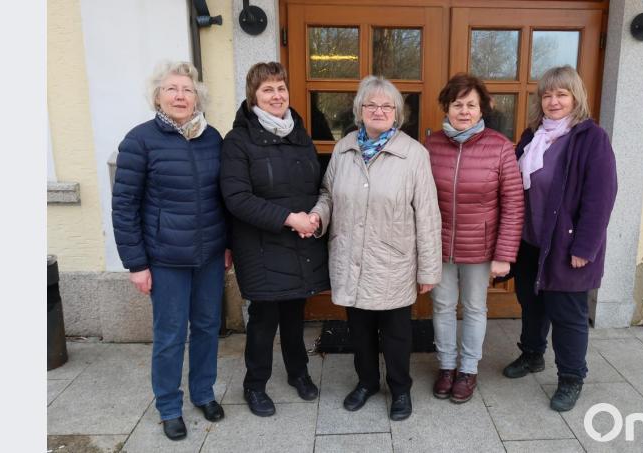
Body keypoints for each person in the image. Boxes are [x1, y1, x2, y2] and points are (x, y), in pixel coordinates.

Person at [309, 76, 442, 421]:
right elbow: (328, 194)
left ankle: (400, 389)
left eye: (386, 106)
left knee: (397, 335)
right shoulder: (344, 148)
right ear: (360, 111)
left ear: (397, 112)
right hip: (350, 257)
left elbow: (427, 214)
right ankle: (366, 382)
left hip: (392, 262)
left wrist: (429, 269)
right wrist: (316, 217)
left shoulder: (414, 154)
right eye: (371, 105)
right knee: (360, 330)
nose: (379, 110)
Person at [112, 61, 231, 441]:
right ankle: (168, 406)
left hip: (210, 255)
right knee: (169, 335)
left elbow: (224, 197)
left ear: (198, 97)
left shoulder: (212, 137)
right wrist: (136, 264)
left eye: (187, 89)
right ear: (158, 97)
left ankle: (203, 393)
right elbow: (124, 206)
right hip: (165, 259)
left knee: (209, 327)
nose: (180, 96)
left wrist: (227, 244)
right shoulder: (139, 140)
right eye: (171, 89)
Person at [502, 66, 617, 412]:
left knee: (568, 314)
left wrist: (585, 247)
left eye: (561, 94)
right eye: (547, 95)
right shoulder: (532, 135)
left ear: (575, 97)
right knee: (532, 304)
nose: (553, 101)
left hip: (566, 246)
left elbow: (601, 197)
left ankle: (571, 377)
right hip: (530, 242)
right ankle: (533, 355)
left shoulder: (590, 138)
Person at [220, 62, 330, 417]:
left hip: (300, 241)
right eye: (268, 89)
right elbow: (237, 198)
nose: (276, 95)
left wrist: (312, 216)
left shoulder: (300, 133)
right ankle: (255, 384)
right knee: (264, 321)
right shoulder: (238, 140)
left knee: (296, 315)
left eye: (281, 88)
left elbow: (314, 185)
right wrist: (288, 219)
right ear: (253, 96)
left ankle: (299, 373)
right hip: (261, 246)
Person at [425, 73, 523, 403]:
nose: (464, 111)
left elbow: (513, 202)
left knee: (474, 307)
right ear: (446, 107)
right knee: (441, 306)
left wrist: (504, 254)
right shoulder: (432, 145)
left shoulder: (499, 147)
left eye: (471, 105)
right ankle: (447, 367)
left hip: (481, 247)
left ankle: (468, 370)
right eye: (457, 104)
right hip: (438, 245)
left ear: (482, 110)